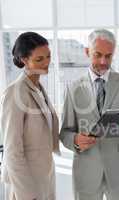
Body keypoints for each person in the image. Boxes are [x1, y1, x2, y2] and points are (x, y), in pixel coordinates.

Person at [59, 29, 119, 200]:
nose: (103, 61)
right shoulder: (73, 88)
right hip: (86, 171)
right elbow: (64, 132)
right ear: (87, 52)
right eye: (98, 55)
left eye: (108, 56)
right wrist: (75, 140)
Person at [0, 32, 60, 200]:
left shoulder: (38, 88)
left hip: (44, 179)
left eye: (48, 56)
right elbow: (12, 152)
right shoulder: (15, 93)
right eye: (39, 59)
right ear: (24, 60)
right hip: (26, 185)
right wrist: (28, 195)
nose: (46, 62)